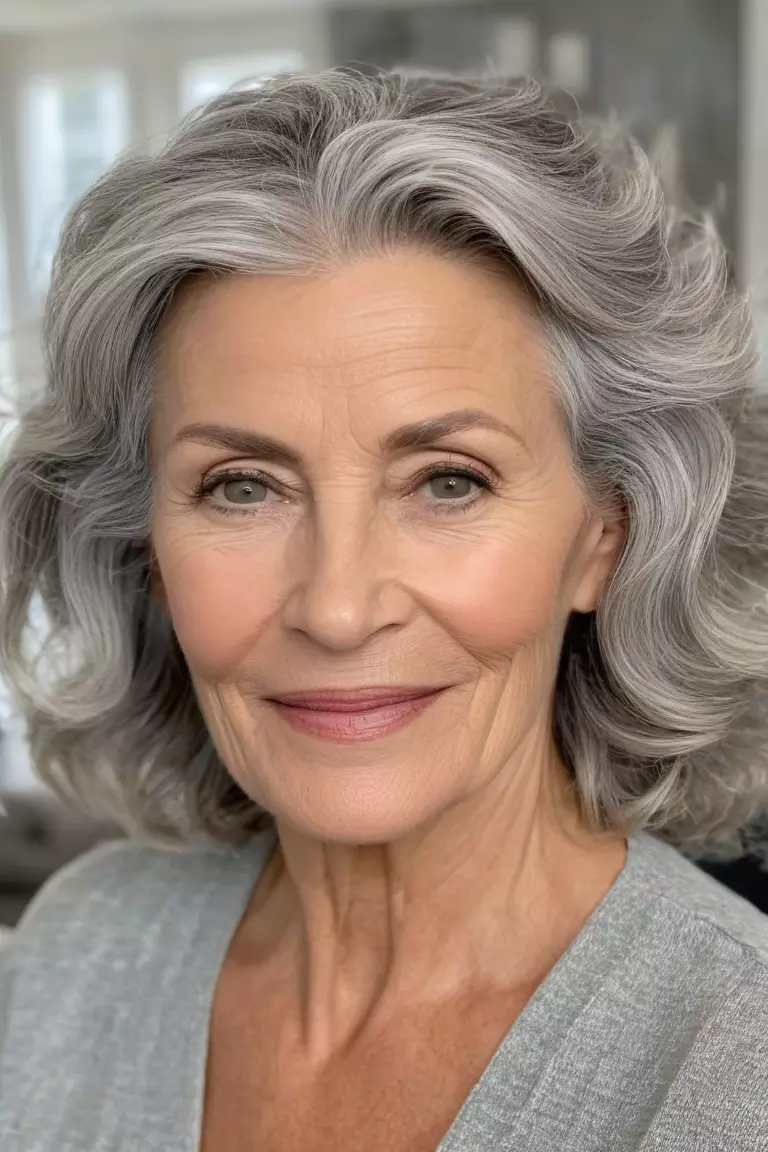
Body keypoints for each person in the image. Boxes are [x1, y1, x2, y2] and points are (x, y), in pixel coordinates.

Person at [1, 66, 768, 1152]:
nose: (340, 608)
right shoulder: (80, 955)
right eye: (242, 487)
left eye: (448, 480)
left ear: (606, 537)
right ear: (148, 553)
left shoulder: (736, 1067)